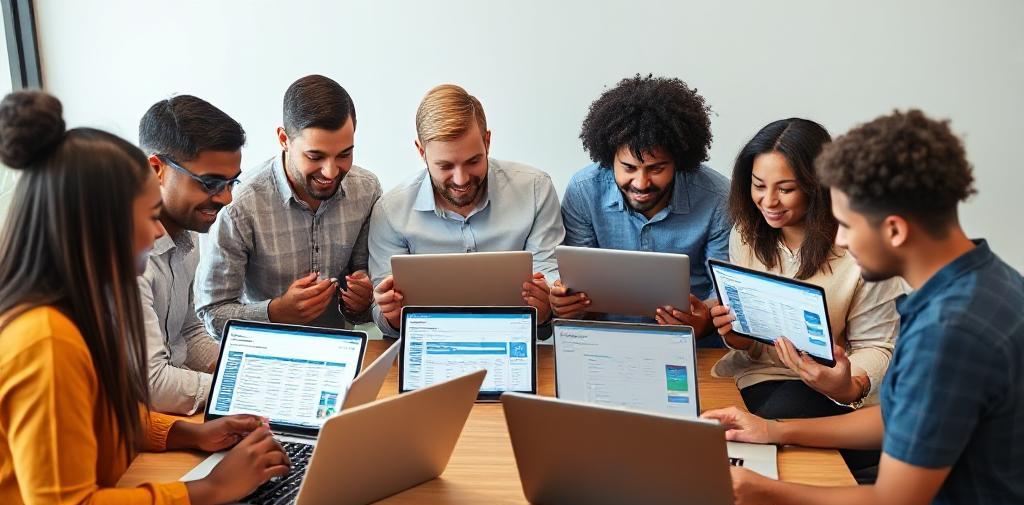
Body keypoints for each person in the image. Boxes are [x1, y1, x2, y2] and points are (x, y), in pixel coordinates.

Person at [703, 110, 1024, 505]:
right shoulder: (979, 281)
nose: (839, 240)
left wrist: (763, 491)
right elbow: (898, 419)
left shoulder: (950, 332)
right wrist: (775, 430)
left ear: (893, 229)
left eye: (846, 225)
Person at [0, 91, 289, 505]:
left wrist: (184, 433)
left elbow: (98, 415)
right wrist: (210, 490)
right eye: (151, 214)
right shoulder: (46, 341)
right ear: (98, 226)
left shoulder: (70, 314)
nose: (159, 234)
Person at [710, 119, 904, 421]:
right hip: (759, 378)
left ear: (817, 187)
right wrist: (739, 337)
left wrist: (850, 385)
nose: (768, 201)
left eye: (786, 189)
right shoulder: (745, 232)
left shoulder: (861, 245)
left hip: (836, 393)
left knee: (776, 417)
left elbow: (877, 346)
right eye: (758, 185)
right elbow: (753, 345)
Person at [369, 84, 563, 337]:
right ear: (421, 152)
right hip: (428, 347)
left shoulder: (536, 190)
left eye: (473, 161)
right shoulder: (390, 211)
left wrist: (546, 305)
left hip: (517, 344)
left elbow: (549, 279)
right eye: (445, 166)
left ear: (487, 142)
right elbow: (380, 306)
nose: (461, 179)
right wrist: (392, 316)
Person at [196, 75, 380, 339]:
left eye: (344, 154)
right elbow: (212, 314)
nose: (330, 171)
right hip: (263, 355)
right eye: (315, 156)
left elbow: (363, 305)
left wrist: (362, 303)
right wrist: (276, 311)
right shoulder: (239, 205)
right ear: (284, 139)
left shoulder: (367, 190)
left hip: (341, 350)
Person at [551, 74, 731, 341]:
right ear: (609, 157)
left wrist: (704, 317)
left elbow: (723, 290)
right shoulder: (584, 190)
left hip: (694, 344)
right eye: (628, 168)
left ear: (679, 162)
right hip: (606, 339)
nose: (641, 183)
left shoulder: (717, 197)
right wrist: (567, 304)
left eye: (656, 169)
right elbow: (577, 281)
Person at [137, 95, 245, 414]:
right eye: (210, 183)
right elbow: (152, 385)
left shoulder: (188, 233)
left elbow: (186, 333)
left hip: (166, 419)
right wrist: (242, 388)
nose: (226, 198)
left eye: (231, 183)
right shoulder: (127, 256)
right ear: (157, 169)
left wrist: (241, 369)